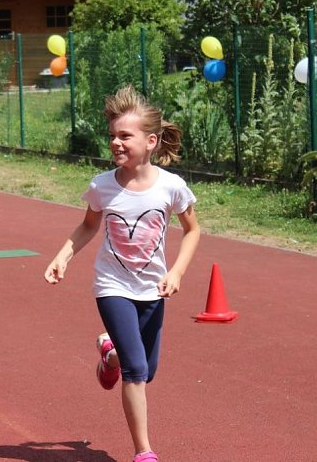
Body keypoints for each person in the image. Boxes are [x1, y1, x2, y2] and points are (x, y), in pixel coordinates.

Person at [42, 85, 200, 462]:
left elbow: (193, 231)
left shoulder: (172, 187)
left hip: (153, 288)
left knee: (149, 369)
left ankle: (108, 356)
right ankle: (143, 452)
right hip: (112, 285)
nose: (116, 142)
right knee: (137, 370)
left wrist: (176, 272)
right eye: (112, 135)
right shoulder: (102, 186)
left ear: (150, 141)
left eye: (124, 136)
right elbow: (87, 227)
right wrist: (63, 256)